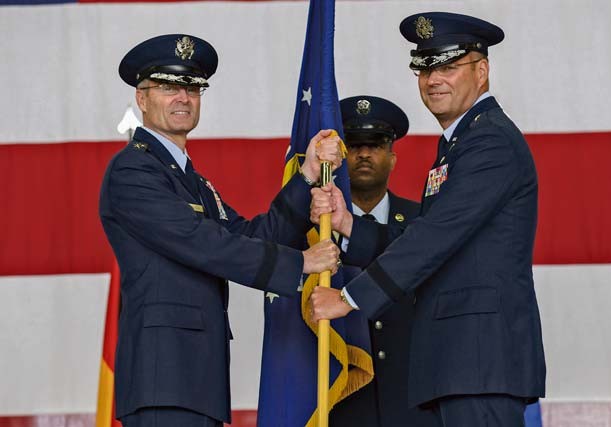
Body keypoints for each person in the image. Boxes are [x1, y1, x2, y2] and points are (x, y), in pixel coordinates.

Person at [309, 12, 546, 426]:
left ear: (482, 71)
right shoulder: (461, 142)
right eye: (425, 68)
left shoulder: (488, 141)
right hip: (459, 365)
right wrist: (350, 226)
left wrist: (348, 299)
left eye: (449, 66)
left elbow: (435, 238)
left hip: (479, 364)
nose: (434, 79)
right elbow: (428, 238)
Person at [99, 34, 342, 427]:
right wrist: (300, 263)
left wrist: (308, 175)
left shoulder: (190, 179)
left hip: (195, 381)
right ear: (142, 99)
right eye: (167, 87)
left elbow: (251, 235)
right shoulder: (134, 171)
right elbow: (204, 243)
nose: (183, 97)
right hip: (164, 380)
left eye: (192, 88)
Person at [329, 95, 428, 427]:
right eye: (354, 145)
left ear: (393, 157)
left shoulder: (424, 223)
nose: (364, 154)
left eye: (375, 145)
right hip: (342, 402)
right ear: (340, 157)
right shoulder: (316, 232)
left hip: (413, 401)